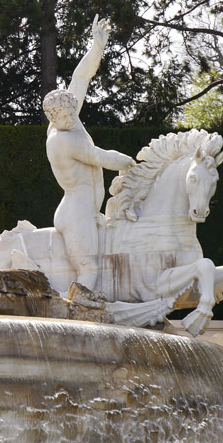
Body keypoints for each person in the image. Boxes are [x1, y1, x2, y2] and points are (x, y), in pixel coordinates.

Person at [43, 16, 135, 292]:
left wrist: (96, 49)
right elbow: (101, 157)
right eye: (63, 115)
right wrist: (130, 163)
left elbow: (80, 77)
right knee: (90, 269)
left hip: (87, 211)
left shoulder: (69, 117)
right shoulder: (61, 140)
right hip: (76, 213)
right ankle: (81, 315)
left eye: (73, 111)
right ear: (52, 117)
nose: (70, 117)